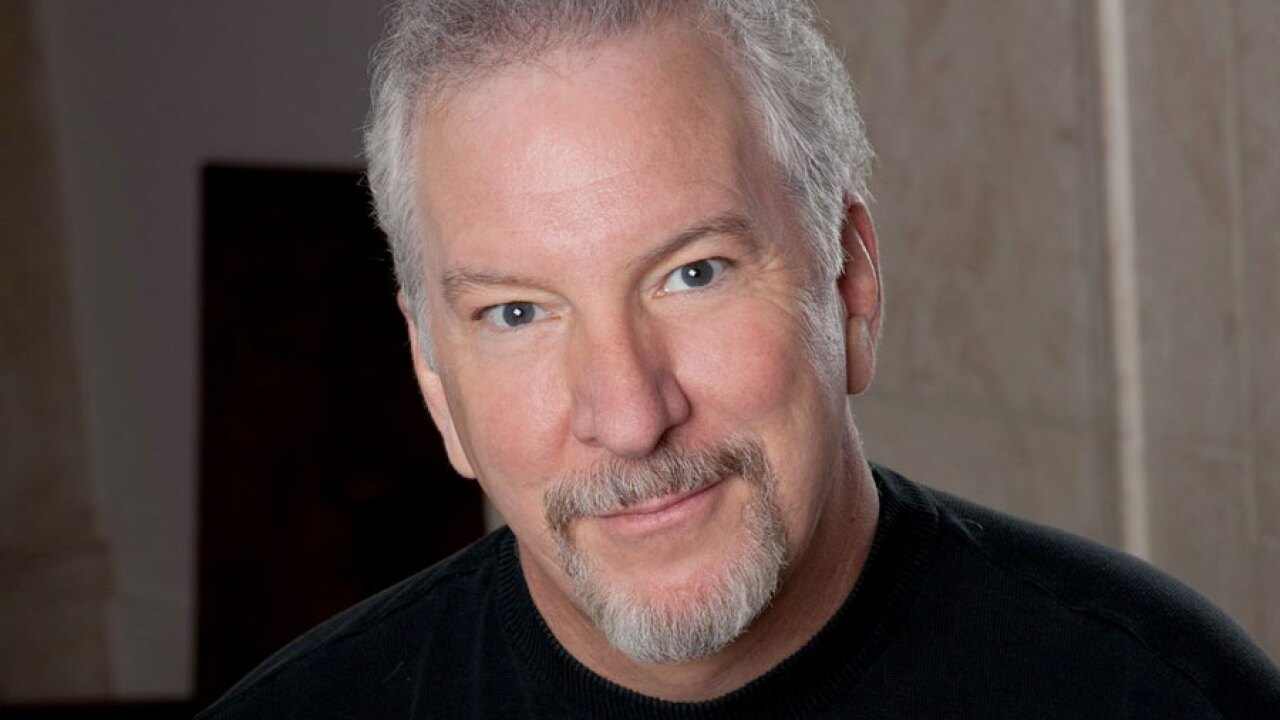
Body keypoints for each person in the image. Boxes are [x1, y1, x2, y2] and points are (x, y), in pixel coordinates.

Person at [198, 1, 1280, 717]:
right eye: (517, 312)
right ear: (434, 377)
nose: (630, 415)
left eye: (694, 273)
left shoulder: (1162, 696)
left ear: (851, 285)